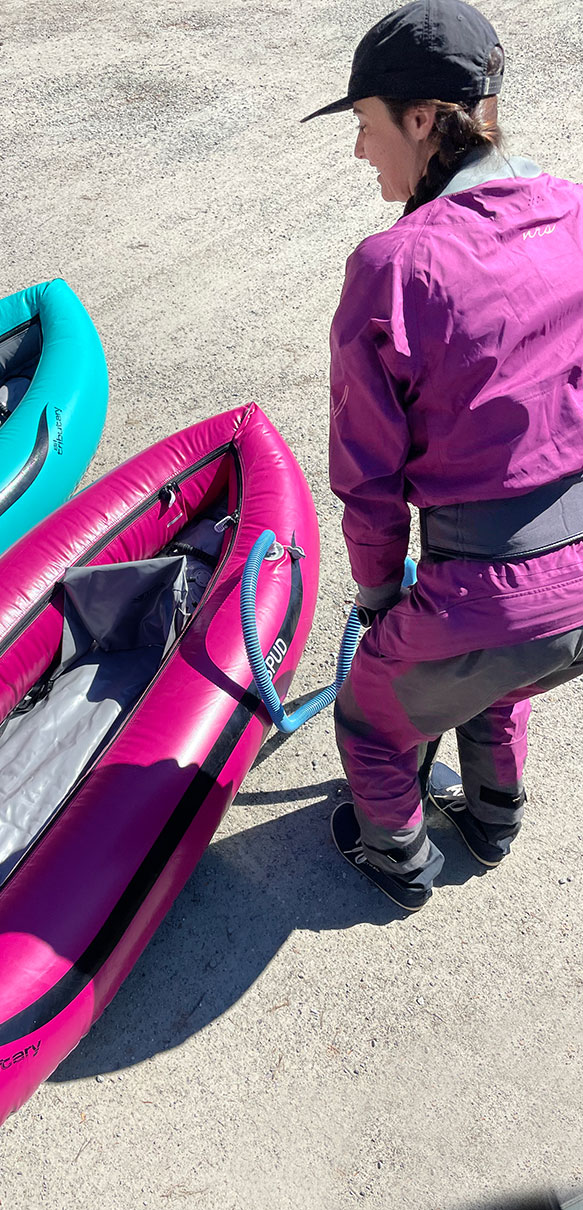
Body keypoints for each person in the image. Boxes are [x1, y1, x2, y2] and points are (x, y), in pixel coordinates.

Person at [302, 0, 583, 911]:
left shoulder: (394, 266)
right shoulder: (575, 213)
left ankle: (398, 860)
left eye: (364, 124)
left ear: (422, 120)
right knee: (496, 671)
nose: (358, 152)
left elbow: (367, 477)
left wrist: (381, 599)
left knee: (377, 717)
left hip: (487, 596)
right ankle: (493, 816)